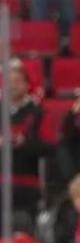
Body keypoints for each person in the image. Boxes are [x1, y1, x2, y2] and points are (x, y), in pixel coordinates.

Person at [6, 61, 47, 228]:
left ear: (26, 85)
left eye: (17, 81)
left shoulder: (38, 113)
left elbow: (49, 148)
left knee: (26, 229)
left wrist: (25, 143)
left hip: (27, 183)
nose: (12, 86)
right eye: (9, 82)